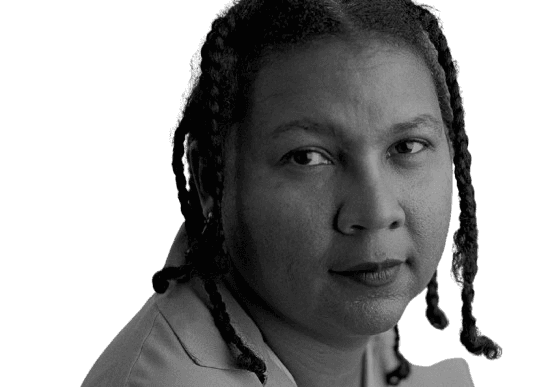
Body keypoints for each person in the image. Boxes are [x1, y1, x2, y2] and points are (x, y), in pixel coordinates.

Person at [81, 0, 503, 386]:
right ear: (210, 179)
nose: (375, 211)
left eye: (407, 146)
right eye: (307, 157)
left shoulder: (360, 336)